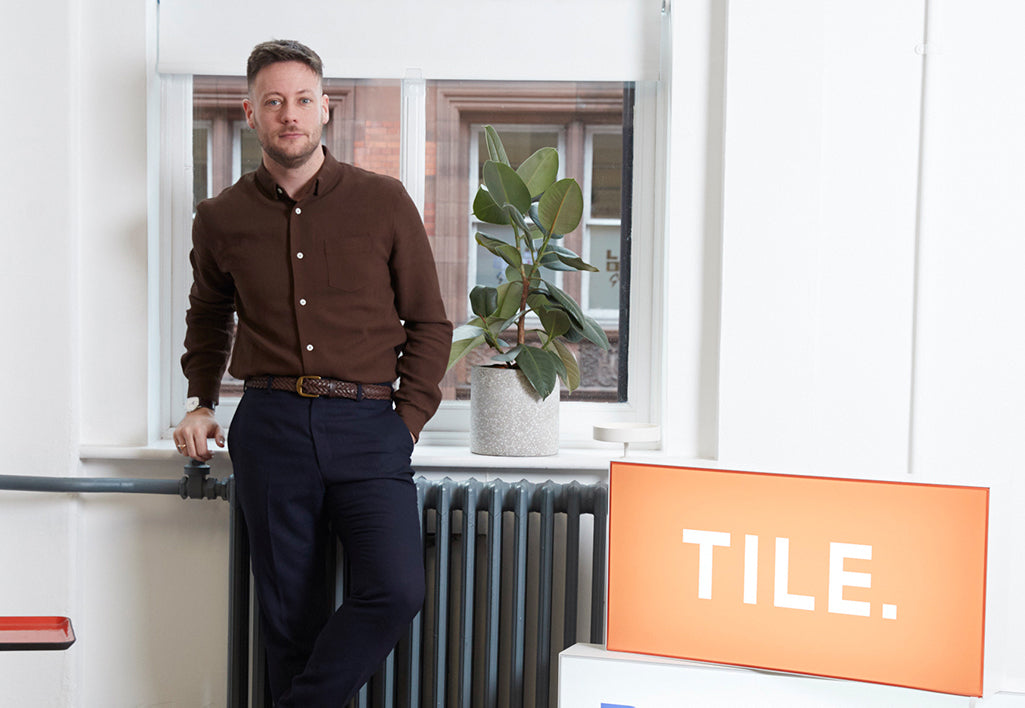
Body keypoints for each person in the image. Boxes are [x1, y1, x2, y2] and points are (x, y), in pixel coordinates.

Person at [172, 39, 452, 706]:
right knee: (286, 618)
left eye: (302, 100)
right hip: (270, 426)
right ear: (250, 113)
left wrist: (403, 425)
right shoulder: (220, 217)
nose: (288, 114)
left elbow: (430, 324)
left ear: (325, 108)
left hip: (367, 426)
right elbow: (208, 319)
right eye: (273, 102)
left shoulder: (383, 202)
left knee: (395, 589)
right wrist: (199, 401)